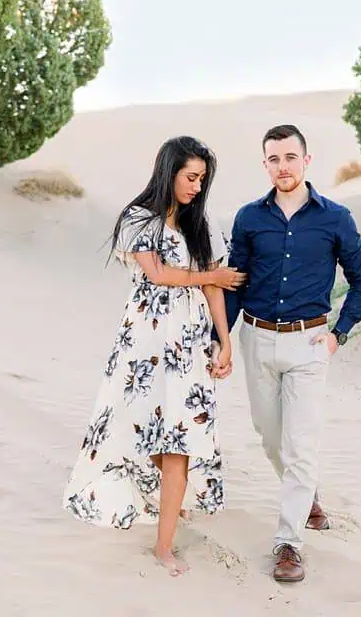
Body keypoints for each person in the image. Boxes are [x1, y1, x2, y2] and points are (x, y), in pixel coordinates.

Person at [62, 135, 246, 577]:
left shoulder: (200, 224)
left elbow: (213, 287)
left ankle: (164, 543)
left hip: (188, 341)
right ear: (169, 172)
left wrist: (225, 340)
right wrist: (212, 273)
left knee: (180, 437)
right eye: (190, 177)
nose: (197, 187)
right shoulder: (138, 219)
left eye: (202, 179)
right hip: (145, 340)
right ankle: (166, 509)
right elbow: (158, 274)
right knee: (145, 426)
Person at [212, 123, 361, 584]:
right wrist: (220, 338)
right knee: (270, 437)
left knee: (301, 444)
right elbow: (236, 285)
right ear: (265, 165)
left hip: (309, 343)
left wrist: (338, 333)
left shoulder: (336, 218)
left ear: (306, 160)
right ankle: (307, 495)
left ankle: (288, 543)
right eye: (273, 159)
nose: (282, 166)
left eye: (290, 157)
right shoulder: (248, 218)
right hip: (257, 339)